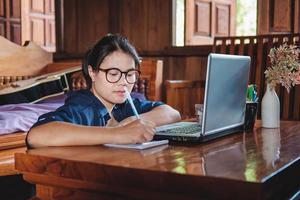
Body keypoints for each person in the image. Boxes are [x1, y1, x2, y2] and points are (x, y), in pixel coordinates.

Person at [26, 34, 181, 148]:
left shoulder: (125, 105)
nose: (124, 82)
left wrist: (133, 121)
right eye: (113, 74)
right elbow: (36, 135)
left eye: (130, 74)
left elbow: (172, 113)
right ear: (92, 73)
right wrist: (118, 134)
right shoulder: (83, 107)